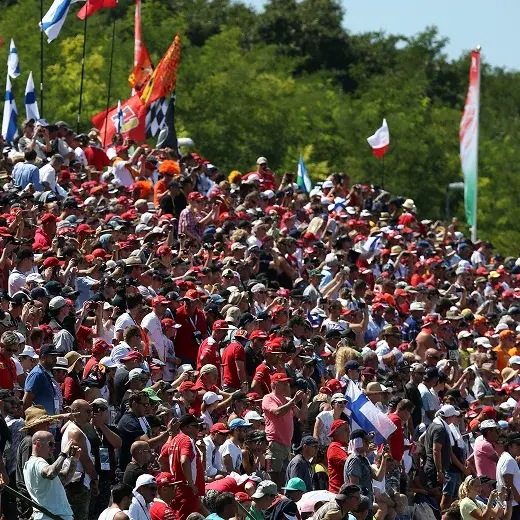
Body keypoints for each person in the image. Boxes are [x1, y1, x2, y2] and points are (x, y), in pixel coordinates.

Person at [262, 372, 308, 488]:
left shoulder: (287, 400)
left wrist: (304, 402)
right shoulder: (268, 398)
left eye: (287, 383)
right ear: (275, 384)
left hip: (286, 445)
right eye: (283, 383)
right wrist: (294, 400)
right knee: (272, 478)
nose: (287, 385)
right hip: (275, 443)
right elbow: (277, 412)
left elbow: (301, 416)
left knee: (283, 479)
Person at [23, 431, 80, 520]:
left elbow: (64, 479)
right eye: (50, 444)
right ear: (38, 444)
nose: (53, 448)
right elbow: (51, 473)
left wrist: (74, 460)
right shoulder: (37, 462)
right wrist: (63, 454)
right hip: (51, 517)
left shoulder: (36, 464)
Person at [161, 414, 206, 520]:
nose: (198, 429)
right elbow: (184, 461)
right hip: (187, 491)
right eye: (196, 426)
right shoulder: (186, 440)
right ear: (188, 427)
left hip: (179, 489)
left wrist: (172, 478)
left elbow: (161, 459)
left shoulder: (174, 439)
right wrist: (190, 483)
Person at [61, 399, 99, 520]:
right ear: (76, 412)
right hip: (77, 484)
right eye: (87, 412)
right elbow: (85, 460)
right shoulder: (75, 432)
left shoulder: (74, 428)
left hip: (78, 482)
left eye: (91, 411)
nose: (90, 415)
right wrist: (95, 478)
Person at [496, 432, 520, 518]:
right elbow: (508, 485)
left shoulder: (507, 458)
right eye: (518, 444)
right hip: (513, 506)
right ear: (509, 446)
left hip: (511, 505)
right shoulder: (508, 460)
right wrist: (519, 500)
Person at [327, 419, 350, 494]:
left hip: (347, 492)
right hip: (338, 493)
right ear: (336, 432)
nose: (349, 432)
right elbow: (349, 463)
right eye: (346, 430)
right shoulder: (334, 447)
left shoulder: (347, 446)